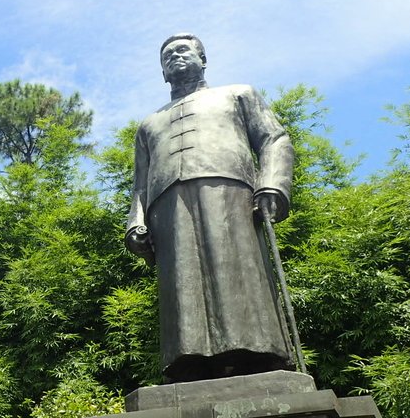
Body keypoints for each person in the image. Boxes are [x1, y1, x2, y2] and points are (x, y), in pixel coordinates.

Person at [125, 34, 295, 383]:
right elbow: (140, 184)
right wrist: (135, 222)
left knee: (234, 267)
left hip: (229, 191)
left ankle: (251, 352)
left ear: (203, 58)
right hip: (167, 206)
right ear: (162, 72)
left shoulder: (237, 94)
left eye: (183, 50)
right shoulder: (148, 125)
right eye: (167, 55)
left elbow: (274, 139)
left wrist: (273, 184)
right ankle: (188, 360)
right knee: (181, 282)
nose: (175, 56)